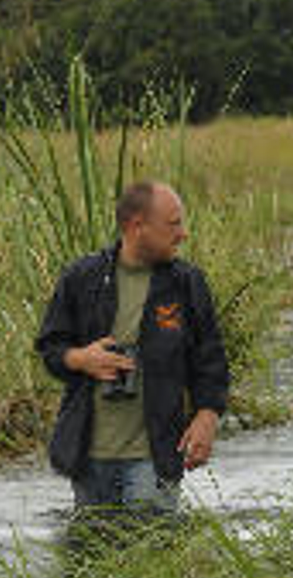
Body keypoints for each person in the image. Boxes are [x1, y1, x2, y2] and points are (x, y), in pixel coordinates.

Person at [35, 180, 230, 515]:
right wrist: (81, 359)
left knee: (154, 546)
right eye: (173, 224)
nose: (183, 234)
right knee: (93, 548)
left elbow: (211, 362)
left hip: (154, 458)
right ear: (137, 226)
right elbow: (50, 349)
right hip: (89, 459)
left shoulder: (187, 283)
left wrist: (207, 415)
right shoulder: (81, 277)